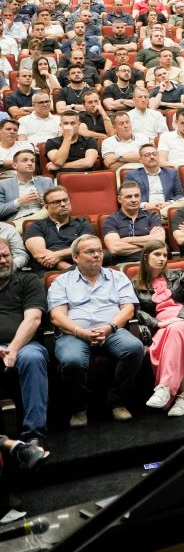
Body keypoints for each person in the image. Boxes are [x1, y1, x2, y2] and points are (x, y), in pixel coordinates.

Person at [47, 235, 145, 426]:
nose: (97, 255)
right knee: (72, 360)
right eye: (90, 252)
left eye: (99, 251)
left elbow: (128, 309)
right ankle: (79, 407)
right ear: (75, 257)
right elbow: (57, 317)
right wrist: (80, 332)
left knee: (134, 347)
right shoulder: (61, 281)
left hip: (112, 330)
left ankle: (116, 401)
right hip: (73, 334)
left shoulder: (117, 276)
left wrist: (110, 327)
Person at [133, 243, 184, 417]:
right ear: (145, 257)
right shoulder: (135, 284)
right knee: (176, 336)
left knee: (176, 330)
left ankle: (165, 386)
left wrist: (179, 318)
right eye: (157, 254)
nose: (162, 259)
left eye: (165, 255)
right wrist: (157, 324)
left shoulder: (178, 274)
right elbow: (137, 310)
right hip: (162, 325)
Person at [0, 239, 48, 445]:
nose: (3, 261)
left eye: (6, 255)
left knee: (33, 357)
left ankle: (33, 436)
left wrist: (12, 349)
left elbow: (33, 318)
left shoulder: (28, 280)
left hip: (24, 345)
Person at [26, 186, 93, 273]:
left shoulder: (82, 222)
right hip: (51, 272)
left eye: (65, 200)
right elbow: (40, 255)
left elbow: (88, 247)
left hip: (82, 268)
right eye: (56, 202)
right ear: (46, 207)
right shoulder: (36, 226)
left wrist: (58, 255)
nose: (63, 204)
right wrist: (73, 269)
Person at [102, 181, 166, 262]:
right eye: (129, 197)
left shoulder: (152, 216)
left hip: (151, 263)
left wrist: (126, 240)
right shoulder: (111, 220)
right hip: (124, 265)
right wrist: (149, 245)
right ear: (119, 199)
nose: (134, 200)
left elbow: (159, 241)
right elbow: (115, 248)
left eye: (136, 196)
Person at [0, 150, 53, 224]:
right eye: (25, 160)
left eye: (32, 161)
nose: (30, 163)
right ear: (15, 165)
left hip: (44, 220)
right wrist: (19, 202)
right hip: (18, 220)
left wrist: (44, 201)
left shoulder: (46, 181)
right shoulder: (3, 184)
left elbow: (57, 205)